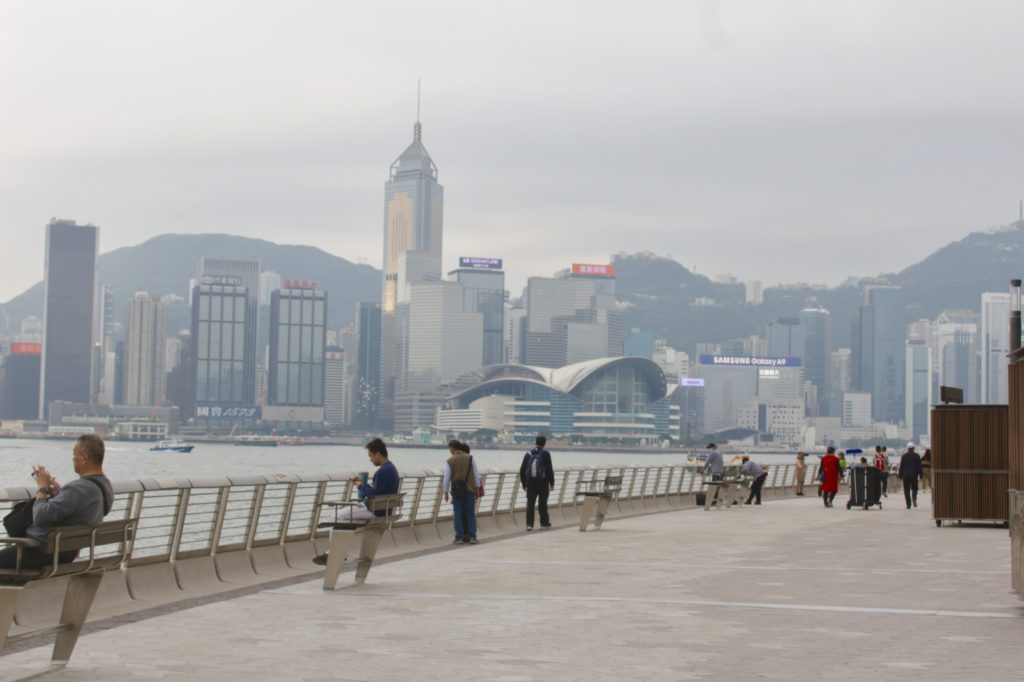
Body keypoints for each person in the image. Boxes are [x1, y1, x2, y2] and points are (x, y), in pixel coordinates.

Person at [0, 434, 113, 570]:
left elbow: (40, 517)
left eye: (74, 454)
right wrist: (59, 492)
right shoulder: (105, 486)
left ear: (84, 458)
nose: (73, 458)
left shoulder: (78, 488)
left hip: (42, 552)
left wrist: (42, 488)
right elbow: (80, 511)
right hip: (67, 552)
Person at [313, 438, 400, 565]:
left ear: (378, 454)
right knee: (344, 520)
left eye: (370, 456)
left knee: (335, 517)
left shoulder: (382, 472)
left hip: (373, 510)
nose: (370, 459)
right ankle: (338, 552)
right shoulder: (392, 469)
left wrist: (360, 485)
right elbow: (378, 492)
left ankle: (334, 553)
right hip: (383, 509)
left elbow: (374, 495)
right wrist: (363, 486)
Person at [444, 440, 480, 545]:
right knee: (470, 513)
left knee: (458, 514)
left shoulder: (450, 460)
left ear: (452, 448)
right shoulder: (470, 458)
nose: (450, 451)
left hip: (457, 491)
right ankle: (473, 537)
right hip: (469, 490)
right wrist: (477, 488)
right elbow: (476, 474)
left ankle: (458, 538)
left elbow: (446, 478)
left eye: (449, 448)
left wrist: (446, 491)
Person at [520, 435, 554, 530]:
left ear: (536, 442)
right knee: (542, 504)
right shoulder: (546, 454)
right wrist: (552, 483)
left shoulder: (528, 454)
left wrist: (524, 484)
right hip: (543, 483)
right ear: (544, 443)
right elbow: (549, 470)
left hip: (531, 483)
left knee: (530, 504)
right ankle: (544, 524)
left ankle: (529, 525)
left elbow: (522, 470)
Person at [899, 442, 922, 510]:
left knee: (906, 490)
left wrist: (900, 475)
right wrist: (921, 474)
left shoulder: (904, 456)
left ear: (908, 448)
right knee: (914, 488)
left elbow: (901, 466)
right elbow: (919, 466)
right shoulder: (917, 456)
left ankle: (908, 505)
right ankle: (914, 498)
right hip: (914, 475)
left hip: (905, 475)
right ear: (913, 448)